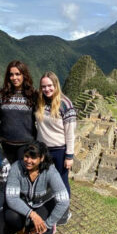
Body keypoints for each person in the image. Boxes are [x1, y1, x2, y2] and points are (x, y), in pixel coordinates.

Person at [5, 141, 69, 234]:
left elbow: (64, 201)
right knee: (11, 217)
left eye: (33, 157)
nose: (28, 161)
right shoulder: (17, 167)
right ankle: (22, 233)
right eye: (26, 156)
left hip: (43, 203)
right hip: (24, 201)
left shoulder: (50, 171)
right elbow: (11, 198)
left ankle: (48, 224)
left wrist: (48, 223)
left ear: (42, 158)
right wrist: (32, 215)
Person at [35, 71, 76, 224]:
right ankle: (49, 209)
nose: (47, 89)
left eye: (50, 85)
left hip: (59, 150)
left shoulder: (65, 104)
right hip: (42, 150)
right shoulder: (39, 102)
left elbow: (70, 132)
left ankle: (64, 214)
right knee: (45, 182)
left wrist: (69, 156)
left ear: (55, 85)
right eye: (44, 86)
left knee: (62, 183)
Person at [0, 60, 37, 164]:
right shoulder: (2, 95)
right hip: (5, 144)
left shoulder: (33, 95)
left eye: (18, 74)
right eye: (11, 75)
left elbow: (39, 118)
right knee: (6, 174)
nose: (14, 78)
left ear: (24, 75)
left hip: (26, 144)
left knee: (23, 174)